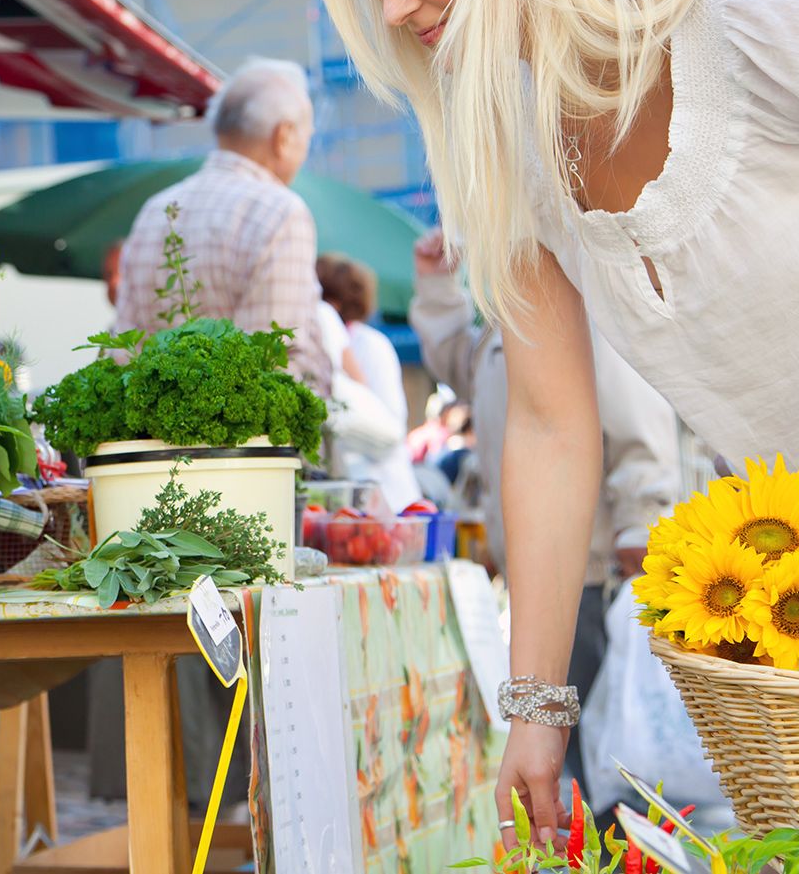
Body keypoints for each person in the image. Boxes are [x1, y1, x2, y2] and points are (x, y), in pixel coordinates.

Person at [312, 0, 799, 845]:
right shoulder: (514, 143)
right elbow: (549, 425)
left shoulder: (762, 0)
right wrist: (536, 714)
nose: (395, 5)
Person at [409, 226, 683, 789]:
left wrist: (642, 522)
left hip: (590, 567)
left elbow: (639, 423)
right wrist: (437, 286)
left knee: (596, 747)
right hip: (542, 568)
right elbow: (457, 363)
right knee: (570, 744)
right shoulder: (504, 321)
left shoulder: (583, 309)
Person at [113, 58, 332, 393]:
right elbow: (272, 359)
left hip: (156, 439)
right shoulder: (281, 212)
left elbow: (124, 351)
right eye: (307, 136)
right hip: (250, 443)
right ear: (284, 136)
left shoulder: (153, 212)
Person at [316, 254, 422, 509]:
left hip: (388, 495)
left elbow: (390, 424)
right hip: (354, 495)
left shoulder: (371, 345)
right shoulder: (337, 340)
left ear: (333, 302)